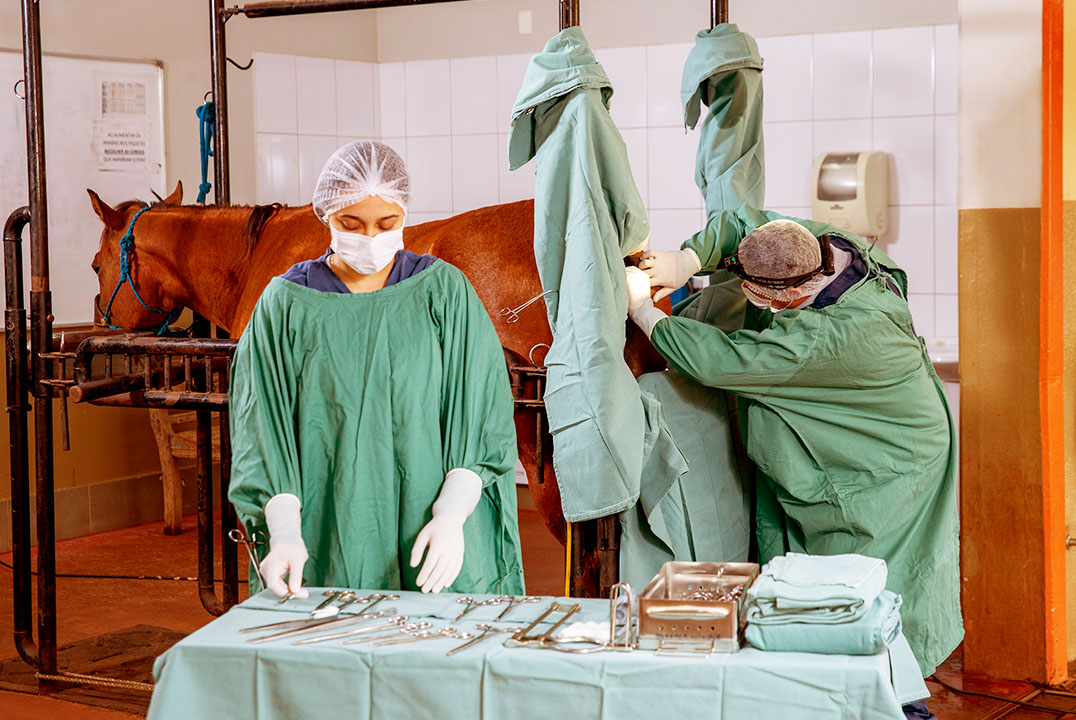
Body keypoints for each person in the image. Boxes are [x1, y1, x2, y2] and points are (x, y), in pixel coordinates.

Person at [625, 206, 962, 685]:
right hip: (896, 424)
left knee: (864, 590)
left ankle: (891, 693)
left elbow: (720, 362)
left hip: (887, 465)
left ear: (786, 299)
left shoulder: (820, 339)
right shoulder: (831, 243)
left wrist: (642, 311)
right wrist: (688, 258)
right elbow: (748, 225)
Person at [228, 140, 525, 598]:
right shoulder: (285, 305)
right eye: (352, 223)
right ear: (325, 214)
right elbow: (262, 427)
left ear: (405, 214)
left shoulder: (442, 293)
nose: (370, 237)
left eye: (387, 223)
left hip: (433, 532)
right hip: (326, 535)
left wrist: (451, 513)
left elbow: (483, 413)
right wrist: (284, 533)